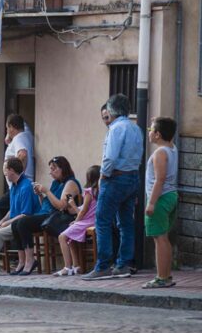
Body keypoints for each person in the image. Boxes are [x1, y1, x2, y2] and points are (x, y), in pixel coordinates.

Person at [83, 94, 143, 281]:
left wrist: (102, 177)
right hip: (133, 177)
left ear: (112, 110)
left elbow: (109, 158)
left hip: (115, 179)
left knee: (102, 220)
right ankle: (123, 264)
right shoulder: (136, 129)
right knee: (125, 222)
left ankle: (103, 266)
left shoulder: (115, 129)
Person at [11, 156, 81, 275]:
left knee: (23, 223)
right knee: (15, 224)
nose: (51, 172)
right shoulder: (55, 183)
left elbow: (61, 206)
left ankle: (30, 261)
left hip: (56, 217)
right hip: (47, 215)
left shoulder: (71, 183)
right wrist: (40, 195)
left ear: (63, 168)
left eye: (54, 169)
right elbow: (46, 204)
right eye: (50, 169)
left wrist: (47, 191)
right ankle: (22, 262)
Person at [143, 117, 179, 288]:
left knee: (160, 239)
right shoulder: (172, 148)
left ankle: (162, 278)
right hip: (171, 196)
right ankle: (166, 275)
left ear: (157, 134)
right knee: (164, 238)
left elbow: (160, 179)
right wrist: (158, 121)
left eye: (151, 129)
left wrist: (151, 203)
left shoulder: (159, 153)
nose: (149, 132)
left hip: (160, 199)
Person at [56, 165, 100, 276]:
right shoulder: (99, 192)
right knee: (70, 237)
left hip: (87, 221)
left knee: (62, 237)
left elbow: (84, 210)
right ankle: (76, 266)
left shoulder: (89, 192)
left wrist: (76, 220)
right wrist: (74, 206)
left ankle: (67, 267)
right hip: (93, 220)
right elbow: (87, 209)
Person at [0, 114, 35, 222]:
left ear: (11, 127)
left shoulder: (18, 138)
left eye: (7, 128)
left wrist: (16, 172)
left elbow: (22, 154)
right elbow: (8, 140)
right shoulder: (27, 134)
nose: (7, 131)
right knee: (14, 211)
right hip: (20, 184)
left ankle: (3, 236)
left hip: (18, 184)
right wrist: (8, 136)